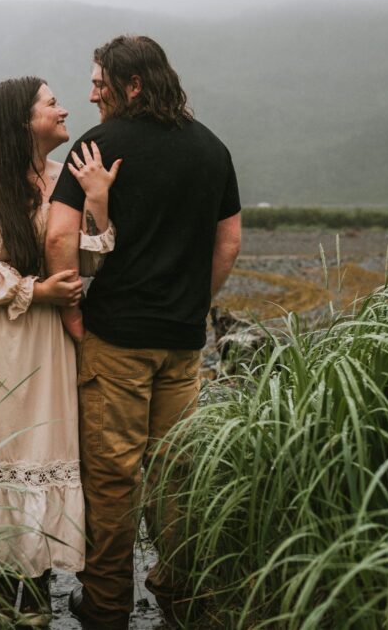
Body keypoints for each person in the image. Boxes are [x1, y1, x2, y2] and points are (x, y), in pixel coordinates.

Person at [46, 36, 242, 629]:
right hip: (182, 343)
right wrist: (193, 304)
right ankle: (178, 593)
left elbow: (59, 237)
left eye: (100, 81)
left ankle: (106, 604)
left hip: (117, 340)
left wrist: (72, 312)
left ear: (133, 85)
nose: (90, 93)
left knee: (112, 476)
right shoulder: (213, 148)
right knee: (175, 471)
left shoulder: (97, 146)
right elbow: (228, 241)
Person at [0, 76, 118, 624]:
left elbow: (89, 260)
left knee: (41, 449)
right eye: (51, 103)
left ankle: (36, 598)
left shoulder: (65, 179)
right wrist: (34, 290)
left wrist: (99, 202)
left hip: (45, 344)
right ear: (23, 120)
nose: (65, 109)